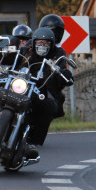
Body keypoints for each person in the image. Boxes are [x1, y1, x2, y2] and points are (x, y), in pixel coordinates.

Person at [22, 27, 73, 155]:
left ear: (51, 44)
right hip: (21, 86)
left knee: (48, 107)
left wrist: (64, 74)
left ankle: (33, 142)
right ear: (34, 43)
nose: (42, 46)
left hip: (39, 92)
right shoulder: (27, 51)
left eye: (46, 43)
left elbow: (61, 68)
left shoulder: (57, 53)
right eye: (39, 42)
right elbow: (15, 60)